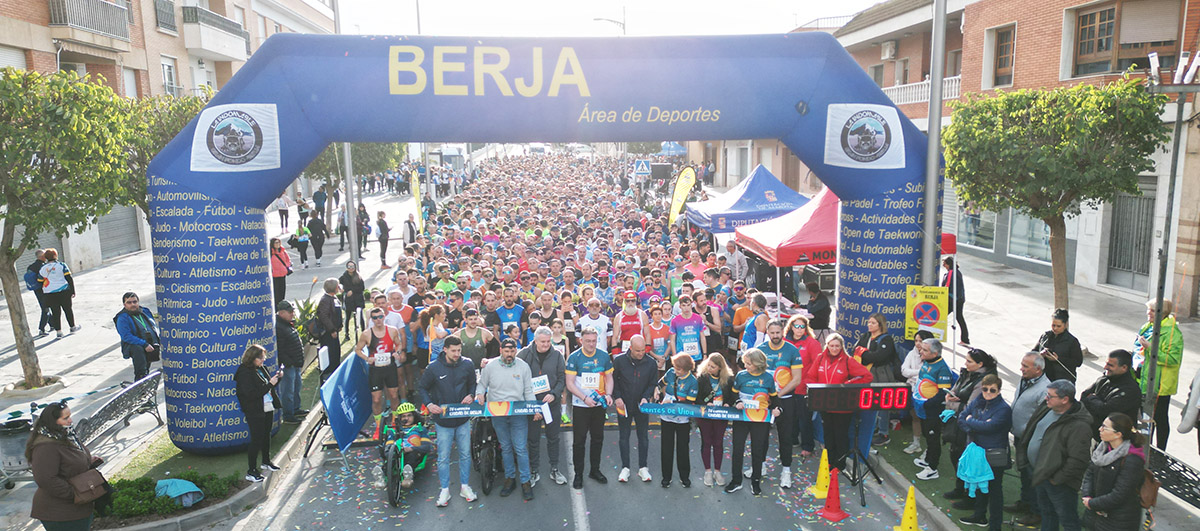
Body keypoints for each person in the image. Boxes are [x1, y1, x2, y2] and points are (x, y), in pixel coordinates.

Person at [1016, 380, 1092, 531]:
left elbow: (1078, 460)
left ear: (1065, 400)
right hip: (1040, 473)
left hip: (1058, 482)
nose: (1046, 398)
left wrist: (1056, 479)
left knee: (1068, 519)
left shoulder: (1079, 425)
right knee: (1047, 514)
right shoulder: (1046, 408)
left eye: (1051, 396)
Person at [418, 336, 479, 507]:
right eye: (453, 351)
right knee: (443, 457)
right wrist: (429, 404)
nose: (457, 354)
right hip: (443, 421)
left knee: (465, 454)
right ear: (445, 349)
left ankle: (465, 486)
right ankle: (444, 489)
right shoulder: (433, 368)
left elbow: (473, 384)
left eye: (459, 350)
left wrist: (471, 395)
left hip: (462, 419)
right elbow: (422, 387)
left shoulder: (467, 364)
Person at [476, 338, 536, 501]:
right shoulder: (490, 366)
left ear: (516, 351)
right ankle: (510, 479)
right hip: (498, 413)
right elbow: (482, 384)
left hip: (518, 412)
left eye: (512, 351)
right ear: (501, 349)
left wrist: (533, 408)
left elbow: (529, 390)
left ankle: (525, 481)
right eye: (506, 351)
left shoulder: (523, 366)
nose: (509, 354)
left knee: (521, 448)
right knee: (506, 447)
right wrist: (479, 393)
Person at [27, 401, 101, 531]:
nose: (70, 421)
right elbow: (46, 480)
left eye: (69, 416)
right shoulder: (45, 447)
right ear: (53, 421)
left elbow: (69, 461)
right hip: (60, 513)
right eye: (65, 418)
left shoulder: (66, 436)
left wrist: (88, 461)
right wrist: (74, 494)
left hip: (78, 508)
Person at [724, 348, 784, 496]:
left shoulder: (768, 378)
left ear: (758, 364)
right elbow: (733, 394)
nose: (746, 366)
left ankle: (755, 482)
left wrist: (778, 409)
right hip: (742, 417)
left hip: (760, 419)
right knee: (738, 448)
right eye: (745, 363)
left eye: (749, 364)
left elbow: (775, 399)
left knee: (757, 450)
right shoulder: (741, 376)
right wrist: (737, 401)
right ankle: (736, 481)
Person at [956, 374, 1013, 530]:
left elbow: (990, 427)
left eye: (992, 390)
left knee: (995, 491)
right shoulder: (978, 401)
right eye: (985, 389)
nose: (987, 393)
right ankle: (979, 516)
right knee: (979, 485)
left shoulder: (1004, 409)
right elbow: (961, 418)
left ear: (999, 391)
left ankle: (995, 526)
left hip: (994, 453)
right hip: (978, 451)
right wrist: (974, 426)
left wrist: (970, 421)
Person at [752, 318, 802, 487]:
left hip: (786, 400)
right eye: (772, 333)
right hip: (764, 402)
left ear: (783, 332)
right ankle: (761, 466)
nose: (775, 336)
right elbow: (754, 374)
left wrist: (777, 395)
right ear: (767, 333)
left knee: (785, 437)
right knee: (761, 436)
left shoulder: (792, 350)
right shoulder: (760, 350)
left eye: (778, 333)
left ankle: (786, 471)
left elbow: (797, 379)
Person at [943, 348, 998, 502]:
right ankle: (960, 488)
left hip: (971, 427)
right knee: (956, 455)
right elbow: (954, 392)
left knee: (967, 460)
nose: (965, 363)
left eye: (969, 361)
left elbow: (970, 407)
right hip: (959, 423)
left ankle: (970, 496)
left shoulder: (983, 381)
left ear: (980, 364)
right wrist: (950, 397)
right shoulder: (966, 374)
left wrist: (951, 403)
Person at [565, 327, 614, 489]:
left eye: (594, 341)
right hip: (581, 405)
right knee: (579, 441)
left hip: (599, 404)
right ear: (581, 340)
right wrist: (584, 398)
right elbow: (570, 384)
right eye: (588, 341)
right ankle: (578, 474)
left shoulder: (603, 356)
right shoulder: (574, 357)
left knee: (597, 438)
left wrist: (608, 394)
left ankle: (595, 470)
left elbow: (609, 377)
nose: (591, 344)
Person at [1006, 352, 1053, 523]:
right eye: (1022, 364)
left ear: (1038, 369)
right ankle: (1025, 502)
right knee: (1024, 473)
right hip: (1020, 437)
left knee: (1033, 476)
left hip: (1031, 441)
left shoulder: (1045, 390)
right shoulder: (1025, 380)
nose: (1021, 368)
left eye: (1026, 366)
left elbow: (1042, 419)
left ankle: (1036, 511)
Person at [518, 326, 568, 487]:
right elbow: (515, 374)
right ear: (535, 340)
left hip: (550, 404)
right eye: (543, 342)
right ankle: (534, 471)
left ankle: (554, 468)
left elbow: (562, 378)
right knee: (532, 439)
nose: (546, 345)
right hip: (531, 405)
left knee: (553, 437)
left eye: (548, 341)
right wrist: (530, 402)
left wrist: (554, 393)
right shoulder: (524, 354)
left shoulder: (557, 355)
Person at [1080, 412, 1147, 531]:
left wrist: (1093, 504)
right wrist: (1087, 496)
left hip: (1118, 520)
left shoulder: (1132, 459)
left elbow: (1120, 493)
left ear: (1118, 434)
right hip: (1095, 515)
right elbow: (1090, 473)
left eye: (1105, 427)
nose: (1100, 429)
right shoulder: (1102, 449)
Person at [1133, 298, 1184, 450]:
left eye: (1153, 310)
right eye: (1148, 309)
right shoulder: (1147, 327)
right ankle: (1145, 447)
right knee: (1145, 417)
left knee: (1159, 418)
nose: (1149, 313)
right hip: (1143, 381)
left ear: (1163, 313)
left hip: (1160, 385)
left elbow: (1173, 359)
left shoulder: (1172, 333)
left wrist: (1149, 347)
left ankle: (1160, 450)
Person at [612, 335, 657, 484]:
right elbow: (613, 381)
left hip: (641, 406)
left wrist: (646, 397)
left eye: (643, 350)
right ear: (630, 348)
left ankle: (643, 467)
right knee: (624, 436)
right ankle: (625, 467)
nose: (641, 353)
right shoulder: (619, 361)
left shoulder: (651, 363)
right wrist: (617, 397)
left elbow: (652, 383)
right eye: (637, 351)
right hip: (623, 404)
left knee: (643, 437)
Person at [234, 345, 281, 482]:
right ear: (252, 358)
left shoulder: (259, 369)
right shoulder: (244, 373)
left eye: (264, 357)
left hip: (266, 406)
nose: (263, 360)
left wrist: (278, 379)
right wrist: (270, 385)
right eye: (260, 358)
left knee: (266, 434)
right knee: (256, 439)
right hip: (254, 409)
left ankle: (266, 461)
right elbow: (252, 394)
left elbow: (267, 385)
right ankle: (251, 470)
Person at [356, 307, 405, 438]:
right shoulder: (367, 334)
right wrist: (367, 358)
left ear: (384, 317)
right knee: (376, 399)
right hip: (375, 369)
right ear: (372, 320)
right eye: (375, 318)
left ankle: (394, 422)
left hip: (389, 367)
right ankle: (378, 426)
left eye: (380, 317)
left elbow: (398, 344)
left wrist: (397, 352)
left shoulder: (392, 330)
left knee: (394, 395)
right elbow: (358, 349)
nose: (378, 320)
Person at [914, 337, 954, 480]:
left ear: (935, 353)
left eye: (925, 350)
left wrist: (927, 403)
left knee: (933, 437)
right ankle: (927, 460)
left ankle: (932, 468)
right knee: (926, 434)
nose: (921, 351)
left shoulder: (942, 368)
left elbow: (944, 393)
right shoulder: (927, 362)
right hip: (923, 407)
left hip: (933, 410)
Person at [855, 313, 897, 446]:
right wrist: (865, 354)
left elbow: (879, 357)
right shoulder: (866, 336)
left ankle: (884, 433)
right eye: (869, 322)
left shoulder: (886, 339)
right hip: (866, 374)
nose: (869, 325)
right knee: (868, 403)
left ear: (880, 325)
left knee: (883, 403)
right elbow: (855, 350)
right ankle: (873, 428)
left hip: (881, 374)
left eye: (873, 323)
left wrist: (864, 354)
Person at [1081, 350, 1142, 442]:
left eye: (1110, 365)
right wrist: (1097, 402)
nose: (1105, 367)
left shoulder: (1130, 390)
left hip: (1116, 442)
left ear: (1124, 368)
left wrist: (1093, 398)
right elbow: (1084, 397)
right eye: (1106, 364)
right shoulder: (1103, 380)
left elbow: (1105, 410)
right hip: (1095, 436)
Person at [656, 353, 697, 488]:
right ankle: (666, 477)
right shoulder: (671, 372)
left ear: (686, 369)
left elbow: (689, 403)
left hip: (682, 419)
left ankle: (684, 476)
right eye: (675, 367)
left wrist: (672, 401)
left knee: (682, 448)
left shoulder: (692, 382)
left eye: (679, 369)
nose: (676, 371)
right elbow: (661, 383)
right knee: (666, 447)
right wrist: (657, 390)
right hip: (666, 417)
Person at [783, 314, 819, 456]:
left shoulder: (812, 343)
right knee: (789, 416)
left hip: (803, 386)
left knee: (804, 418)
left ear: (806, 328)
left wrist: (808, 383)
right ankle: (792, 439)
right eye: (796, 326)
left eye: (802, 326)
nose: (799, 329)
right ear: (791, 327)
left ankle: (808, 445)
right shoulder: (784, 342)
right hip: (786, 386)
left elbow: (816, 365)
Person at [697, 352, 734, 486]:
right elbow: (697, 397)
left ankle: (717, 471)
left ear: (720, 368)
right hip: (706, 416)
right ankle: (707, 471)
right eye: (709, 366)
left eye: (713, 367)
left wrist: (727, 403)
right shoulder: (702, 378)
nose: (709, 369)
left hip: (721, 416)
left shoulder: (728, 379)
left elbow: (731, 396)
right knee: (706, 442)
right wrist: (706, 403)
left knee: (718, 443)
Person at [900, 330, 934, 455]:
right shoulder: (911, 353)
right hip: (912, 390)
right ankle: (916, 443)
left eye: (921, 341)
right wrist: (918, 372)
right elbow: (904, 371)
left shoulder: (933, 356)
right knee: (915, 417)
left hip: (926, 393)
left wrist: (915, 373)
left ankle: (929, 448)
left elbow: (928, 374)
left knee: (926, 420)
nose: (918, 344)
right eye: (916, 341)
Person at [274, 300, 308, 423]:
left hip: (295, 363)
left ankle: (295, 409)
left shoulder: (287, 324)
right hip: (289, 365)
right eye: (290, 312)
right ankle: (288, 415)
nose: (293, 314)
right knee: (288, 391)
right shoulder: (279, 327)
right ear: (281, 313)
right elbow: (280, 349)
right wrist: (288, 363)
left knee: (296, 387)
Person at [114, 292, 159, 382]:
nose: (133, 304)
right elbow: (126, 336)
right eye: (129, 303)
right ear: (124, 304)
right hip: (134, 346)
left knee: (147, 368)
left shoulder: (145, 311)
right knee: (141, 369)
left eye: (135, 302)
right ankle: (140, 382)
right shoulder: (122, 318)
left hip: (149, 343)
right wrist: (144, 344)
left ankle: (145, 383)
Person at [1033, 308, 1083, 383]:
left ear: (1065, 325)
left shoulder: (1072, 341)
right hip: (1043, 378)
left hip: (1062, 380)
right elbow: (1033, 352)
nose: (1055, 328)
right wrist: (1040, 355)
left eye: (1058, 326)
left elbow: (1078, 362)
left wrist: (1058, 359)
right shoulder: (1045, 336)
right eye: (1053, 325)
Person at [38, 248, 78, 337]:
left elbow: (40, 280)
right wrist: (73, 290)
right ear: (55, 255)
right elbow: (69, 278)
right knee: (68, 310)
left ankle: (59, 332)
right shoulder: (62, 265)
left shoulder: (43, 268)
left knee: (55, 312)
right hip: (64, 291)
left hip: (50, 293)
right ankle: (72, 327)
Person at [315, 278, 343, 382]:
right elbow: (324, 316)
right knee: (331, 354)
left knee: (336, 353)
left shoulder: (333, 298)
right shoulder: (325, 300)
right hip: (328, 333)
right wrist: (331, 330)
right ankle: (329, 374)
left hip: (335, 331)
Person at [943, 256, 969, 345]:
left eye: (945, 264)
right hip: (960, 299)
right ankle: (965, 339)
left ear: (949, 264)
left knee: (941, 315)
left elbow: (946, 286)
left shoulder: (951, 273)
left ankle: (936, 335)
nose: (943, 265)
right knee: (959, 317)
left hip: (952, 300)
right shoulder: (957, 272)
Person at [26, 249, 52, 338]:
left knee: (45, 306)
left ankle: (52, 325)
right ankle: (42, 329)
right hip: (44, 289)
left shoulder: (30, 267)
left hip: (36, 290)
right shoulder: (43, 267)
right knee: (45, 309)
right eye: (45, 255)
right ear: (42, 257)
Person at [340, 261, 366, 340]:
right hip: (349, 301)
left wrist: (352, 291)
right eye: (349, 266)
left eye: (352, 267)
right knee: (347, 317)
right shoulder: (344, 276)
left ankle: (364, 332)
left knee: (360, 316)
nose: (351, 268)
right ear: (346, 268)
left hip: (358, 299)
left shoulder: (358, 276)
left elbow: (362, 288)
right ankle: (347, 334)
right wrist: (341, 289)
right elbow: (338, 283)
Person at [269, 238, 291, 305]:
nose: (278, 244)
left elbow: (288, 260)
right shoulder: (270, 252)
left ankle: (281, 306)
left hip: (282, 274)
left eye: (279, 242)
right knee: (276, 294)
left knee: (282, 292)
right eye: (276, 242)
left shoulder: (282, 251)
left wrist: (285, 267)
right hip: (274, 276)